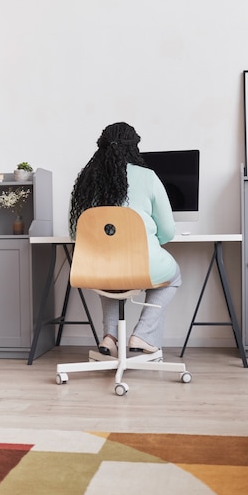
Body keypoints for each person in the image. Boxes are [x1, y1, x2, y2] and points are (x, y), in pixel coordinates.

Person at [69, 121, 181, 358]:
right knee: (174, 276)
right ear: (133, 148)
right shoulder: (148, 177)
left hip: (98, 266)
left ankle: (110, 337)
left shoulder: (88, 180)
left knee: (109, 271)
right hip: (140, 266)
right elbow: (168, 232)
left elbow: (77, 233)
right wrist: (149, 241)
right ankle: (143, 334)